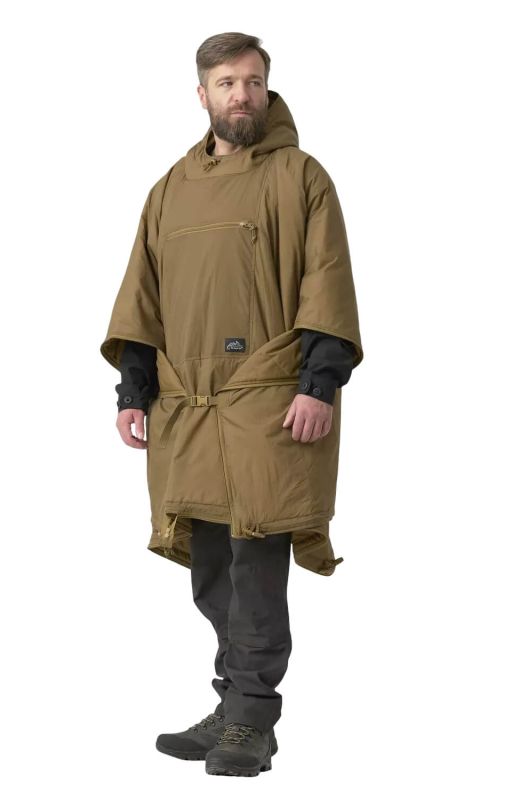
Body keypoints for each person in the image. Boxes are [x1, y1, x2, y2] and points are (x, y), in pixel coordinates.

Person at [100, 32, 363, 778]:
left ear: (267, 88)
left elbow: (327, 281)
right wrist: (133, 390)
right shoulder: (170, 190)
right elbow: (142, 294)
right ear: (202, 95)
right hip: (187, 406)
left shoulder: (301, 177)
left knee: (256, 563)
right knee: (211, 566)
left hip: (270, 402)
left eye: (251, 81)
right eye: (225, 83)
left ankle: (252, 717)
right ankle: (231, 701)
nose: (240, 95)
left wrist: (319, 384)